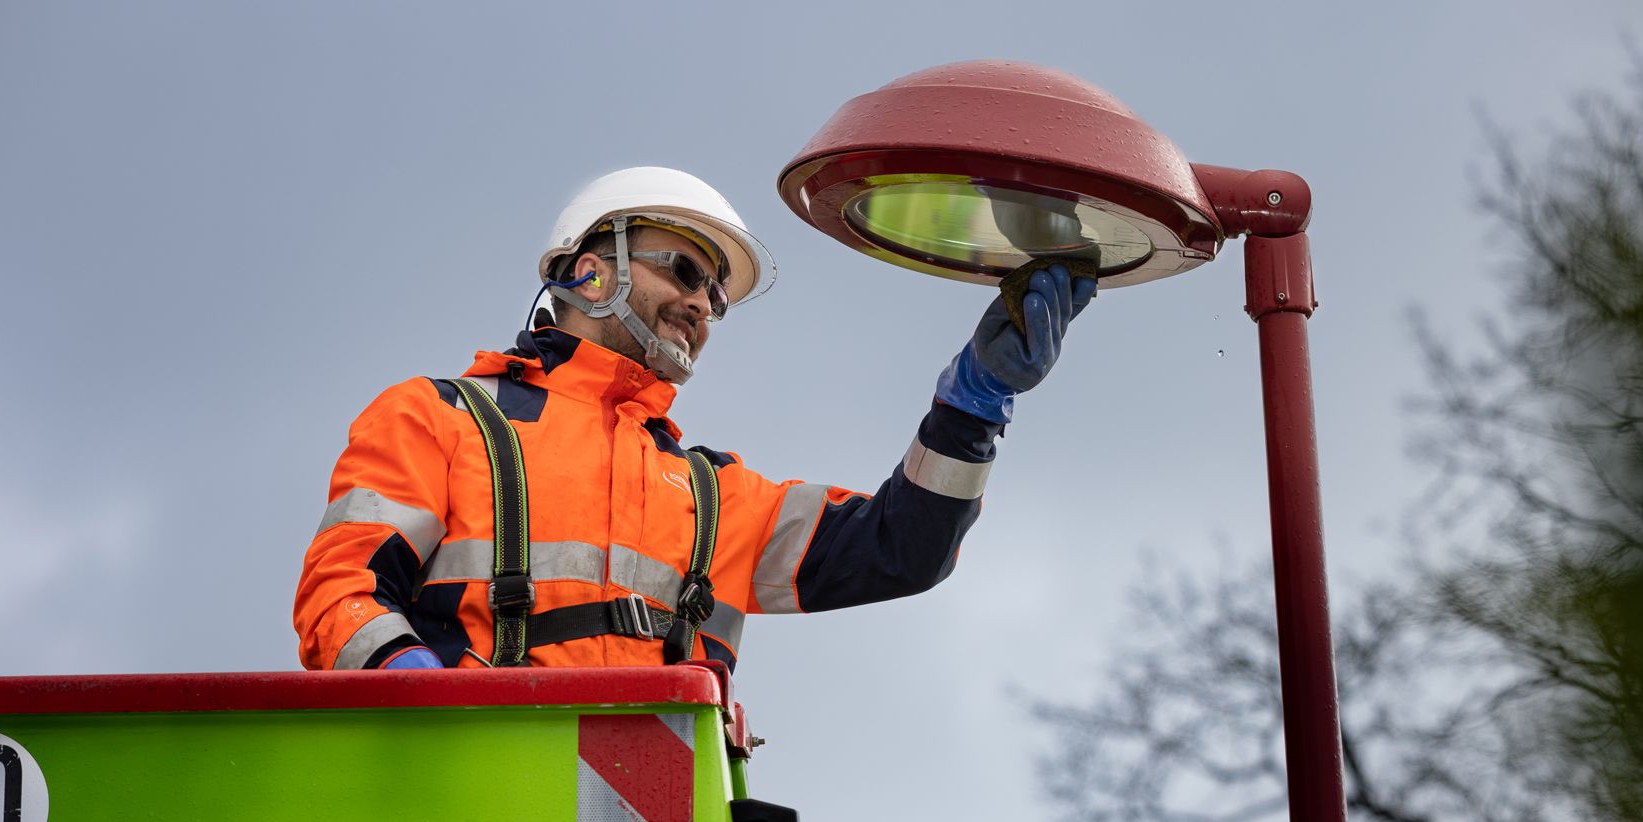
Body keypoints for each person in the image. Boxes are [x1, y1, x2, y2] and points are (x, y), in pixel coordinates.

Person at [293, 166, 1096, 672]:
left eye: (716, 296)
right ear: (587, 270)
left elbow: (905, 548)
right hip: (473, 806)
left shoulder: (715, 498)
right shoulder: (439, 420)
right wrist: (419, 696)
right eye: (682, 269)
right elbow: (344, 598)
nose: (700, 306)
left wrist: (974, 404)